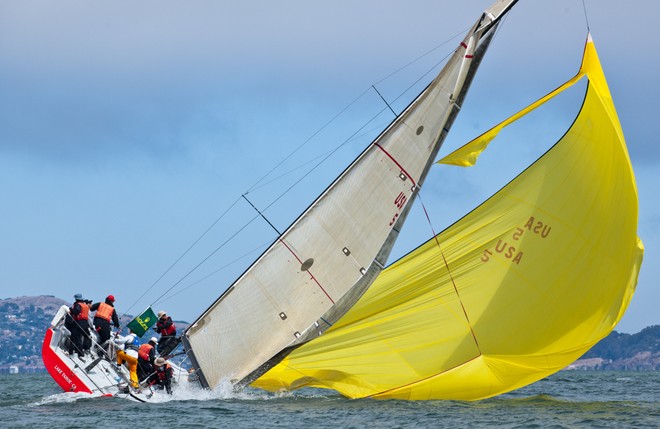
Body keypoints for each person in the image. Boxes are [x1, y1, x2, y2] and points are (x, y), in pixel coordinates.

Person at [68, 293, 89, 359]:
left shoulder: (78, 305)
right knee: (83, 337)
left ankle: (75, 352)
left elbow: (77, 311)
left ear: (76, 299)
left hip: (79, 322)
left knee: (75, 337)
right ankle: (84, 350)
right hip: (85, 323)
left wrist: (71, 310)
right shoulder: (85, 305)